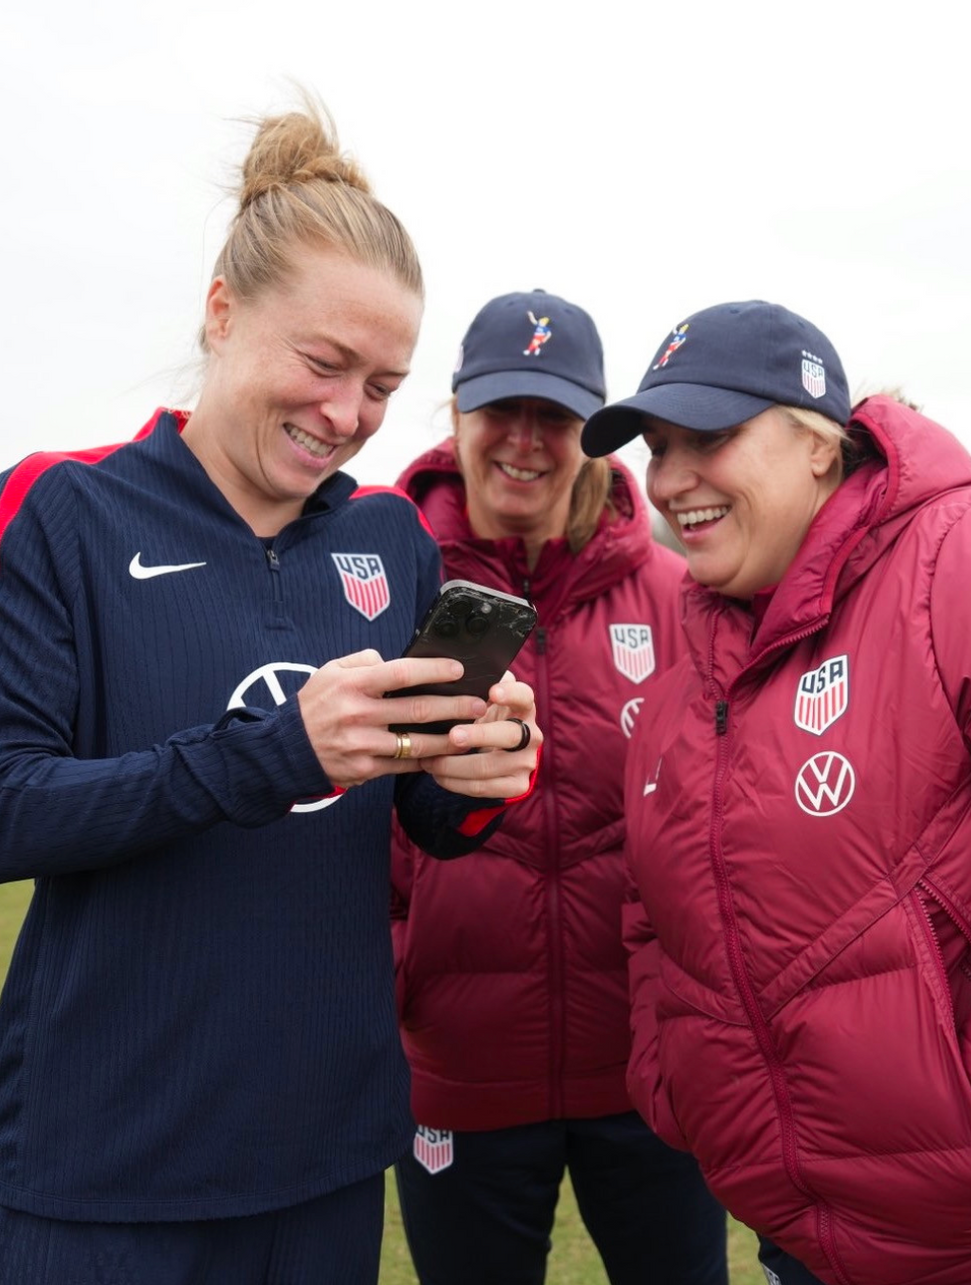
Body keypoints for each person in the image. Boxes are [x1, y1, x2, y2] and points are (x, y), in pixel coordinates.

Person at [0, 100, 540, 1285]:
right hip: (104, 1166)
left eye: (384, 386)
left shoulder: (392, 538)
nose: (348, 415)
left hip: (328, 1156)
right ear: (222, 308)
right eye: (324, 363)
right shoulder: (58, 509)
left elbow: (425, 820)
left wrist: (481, 773)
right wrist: (273, 752)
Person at [578, 298, 971, 1285]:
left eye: (708, 438)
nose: (671, 480)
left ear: (818, 442)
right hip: (798, 1239)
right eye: (657, 448)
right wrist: (674, 1079)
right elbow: (651, 906)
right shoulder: (692, 655)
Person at [390, 289, 729, 1285]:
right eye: (503, 410)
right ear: (456, 412)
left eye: (555, 417)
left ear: (591, 430)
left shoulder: (679, 595)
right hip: (459, 1064)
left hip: (646, 1069)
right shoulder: (385, 573)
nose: (526, 442)